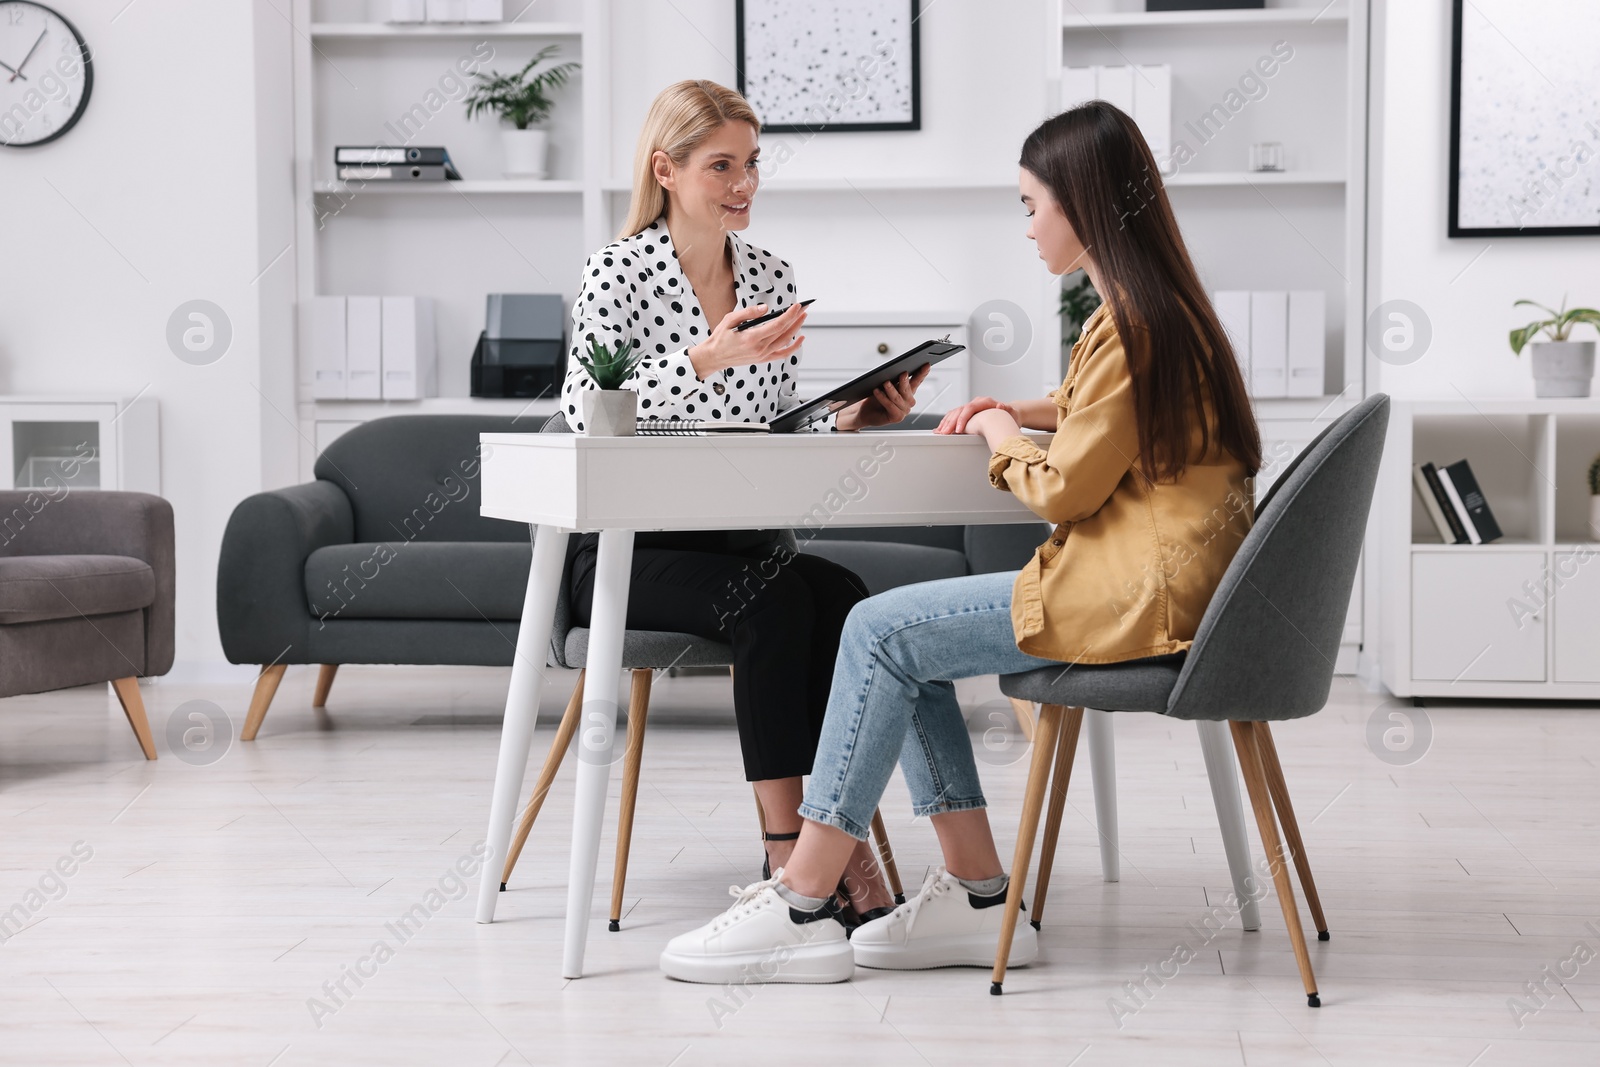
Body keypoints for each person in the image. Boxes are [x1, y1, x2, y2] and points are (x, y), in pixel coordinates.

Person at [658, 100, 1264, 984]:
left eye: (1030, 205)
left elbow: (1065, 486)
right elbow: (1105, 412)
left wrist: (995, 437)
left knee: (875, 630)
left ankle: (799, 898)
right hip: (1158, 583)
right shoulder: (1156, 314)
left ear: (1083, 206)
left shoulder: (1132, 327)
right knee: (902, 637)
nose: (1026, 228)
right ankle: (980, 898)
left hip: (1130, 594)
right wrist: (1019, 407)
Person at [562, 79, 928, 919]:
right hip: (628, 550)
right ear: (667, 168)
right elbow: (586, 410)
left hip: (737, 539)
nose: (745, 183)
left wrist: (849, 419)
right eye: (722, 165)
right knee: (772, 605)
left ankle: (835, 832)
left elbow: (771, 431)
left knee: (843, 598)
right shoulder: (615, 272)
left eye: (752, 164)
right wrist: (703, 359)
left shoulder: (769, 273)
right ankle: (790, 857)